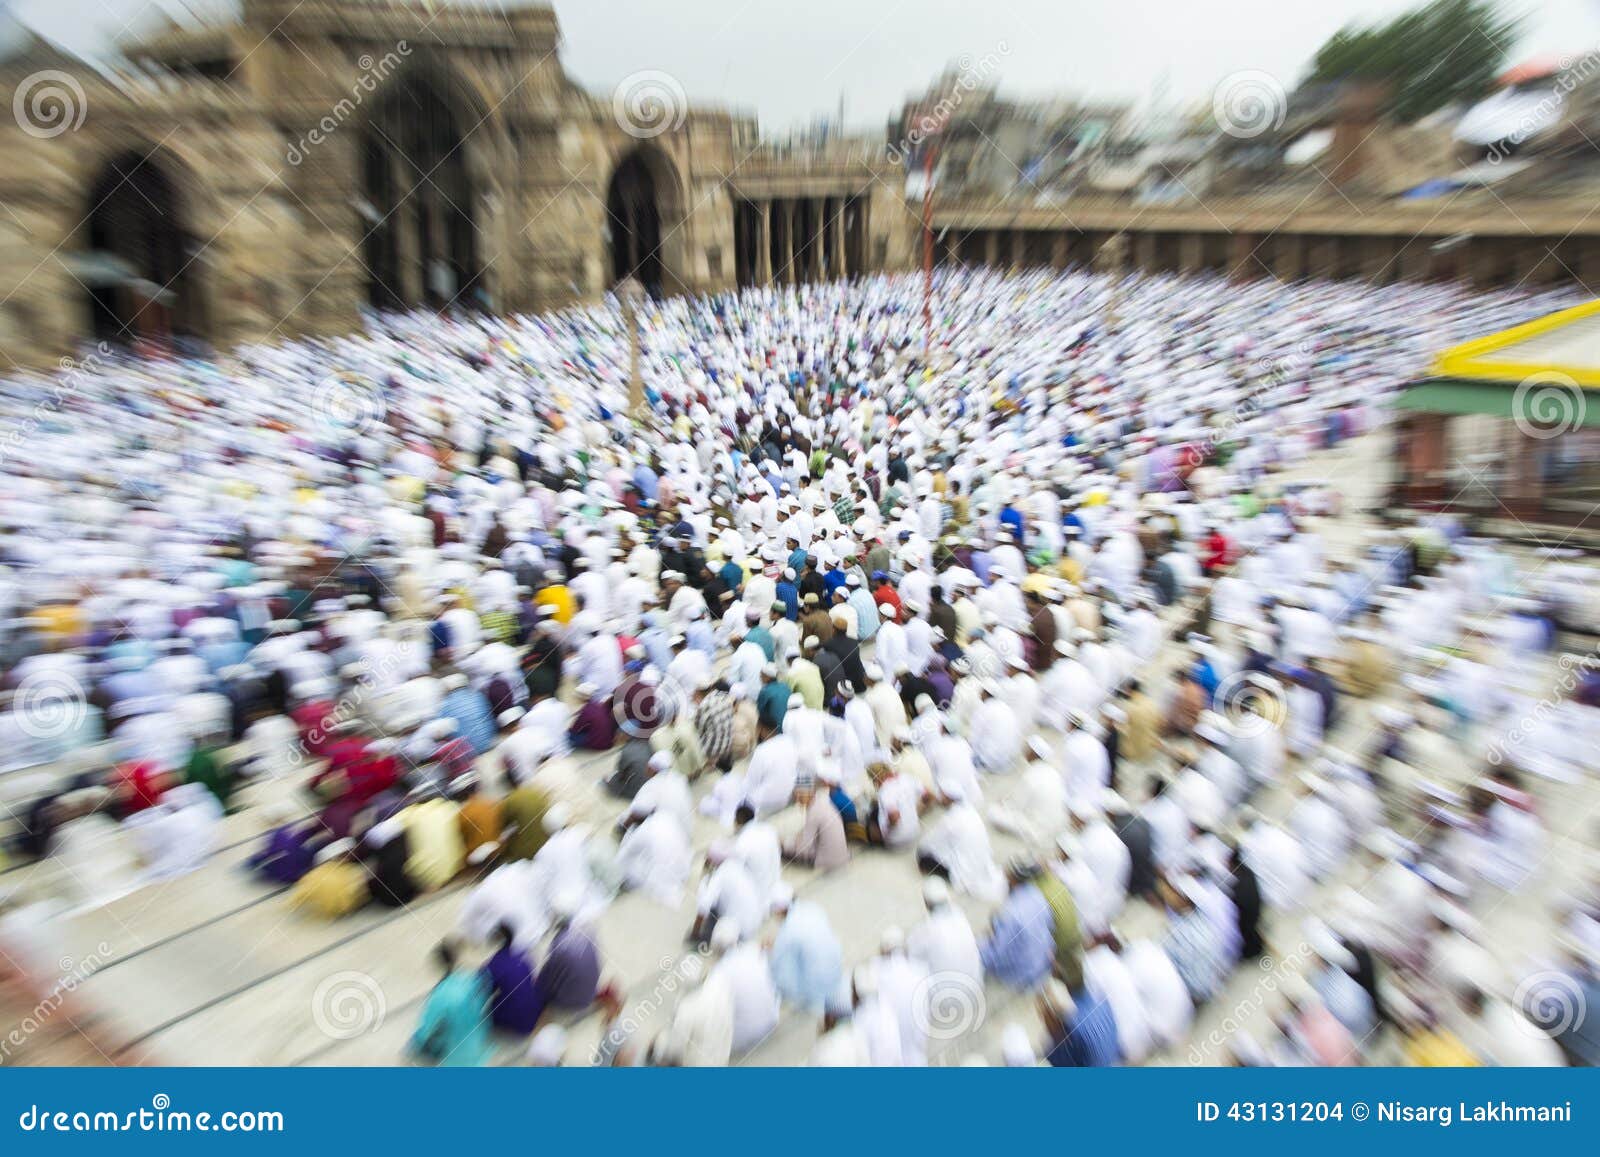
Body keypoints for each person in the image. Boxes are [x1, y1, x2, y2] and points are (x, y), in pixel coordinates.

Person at [410, 941, 493, 1067]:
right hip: (478, 1039)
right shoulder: (471, 980)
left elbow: (427, 1030)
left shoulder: (439, 995)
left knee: (417, 1042)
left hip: (456, 1053)